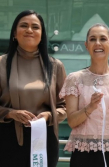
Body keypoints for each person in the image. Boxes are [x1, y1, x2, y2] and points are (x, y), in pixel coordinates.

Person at [59, 23, 109, 167]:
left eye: (103, 39)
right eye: (92, 39)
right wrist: (90, 107)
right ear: (86, 45)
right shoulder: (75, 79)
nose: (98, 43)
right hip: (84, 153)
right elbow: (71, 121)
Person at [0, 10, 67, 167]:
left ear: (41, 34)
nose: (29, 30)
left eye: (35, 27)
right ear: (14, 34)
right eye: (24, 25)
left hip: (45, 142)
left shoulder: (55, 66)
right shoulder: (1, 64)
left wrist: (49, 116)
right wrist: (10, 113)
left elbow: (65, 107)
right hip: (6, 142)